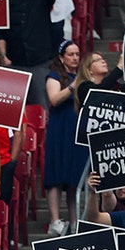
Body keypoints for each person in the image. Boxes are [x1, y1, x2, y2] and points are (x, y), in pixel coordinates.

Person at [0, 0, 64, 108]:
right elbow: (2, 33)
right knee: (12, 109)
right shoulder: (10, 2)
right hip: (15, 63)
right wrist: (3, 56)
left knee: (43, 107)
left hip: (39, 63)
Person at [44, 40, 89, 236]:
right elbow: (54, 99)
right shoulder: (54, 76)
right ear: (62, 57)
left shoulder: (83, 77)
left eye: (77, 54)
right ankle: (55, 220)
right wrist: (73, 86)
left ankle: (74, 220)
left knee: (73, 176)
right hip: (59, 129)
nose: (75, 58)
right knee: (55, 175)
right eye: (71, 54)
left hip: (76, 130)